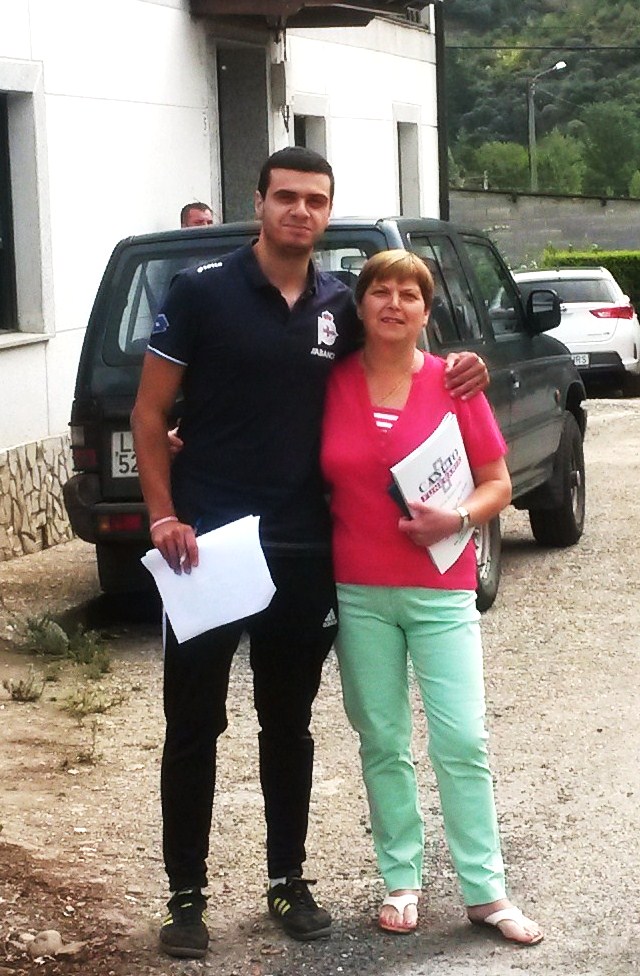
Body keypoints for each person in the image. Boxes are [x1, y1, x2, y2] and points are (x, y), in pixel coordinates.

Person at [131, 147, 489, 960]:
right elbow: (149, 414)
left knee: (287, 726)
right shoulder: (200, 291)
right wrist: (162, 515)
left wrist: (468, 366)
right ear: (259, 202)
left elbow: (406, 353)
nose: (300, 210)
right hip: (207, 547)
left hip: (301, 549)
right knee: (194, 724)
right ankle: (185, 896)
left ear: (328, 213)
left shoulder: (340, 303)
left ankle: (287, 879)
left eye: (315, 200)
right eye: (286, 196)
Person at [320, 249, 543, 946]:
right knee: (382, 740)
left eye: (409, 294)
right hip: (359, 591)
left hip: (441, 590)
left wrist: (460, 519)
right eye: (380, 291)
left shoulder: (454, 382)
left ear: (426, 311)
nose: (394, 303)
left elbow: (498, 482)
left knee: (462, 739)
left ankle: (486, 891)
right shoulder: (330, 382)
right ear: (361, 306)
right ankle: (401, 879)